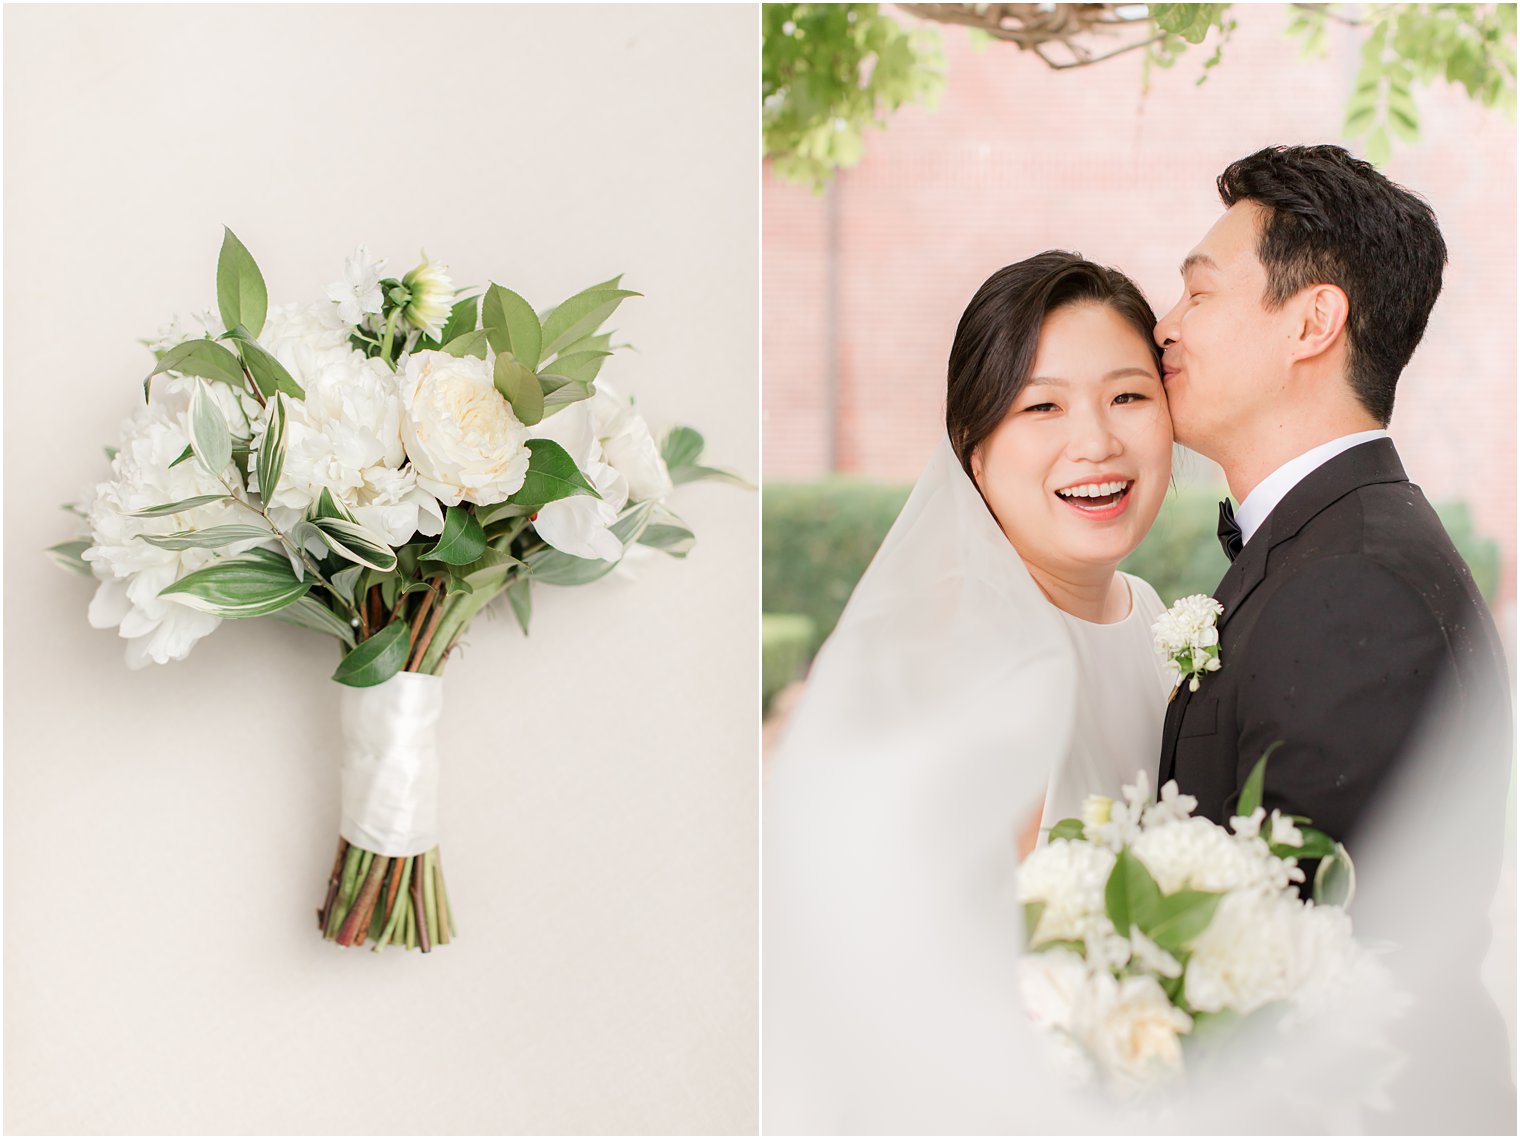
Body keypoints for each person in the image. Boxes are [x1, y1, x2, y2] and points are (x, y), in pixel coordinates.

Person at [763, 251, 1177, 1131]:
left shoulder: (1165, 631)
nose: (1097, 441)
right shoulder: (959, 669)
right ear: (974, 450)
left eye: (1130, 395)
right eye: (1043, 406)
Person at [1154, 143, 1513, 1133]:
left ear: (1309, 321)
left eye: (1196, 292)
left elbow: (1313, 968)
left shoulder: (1353, 582)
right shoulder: (1327, 545)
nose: (1163, 326)